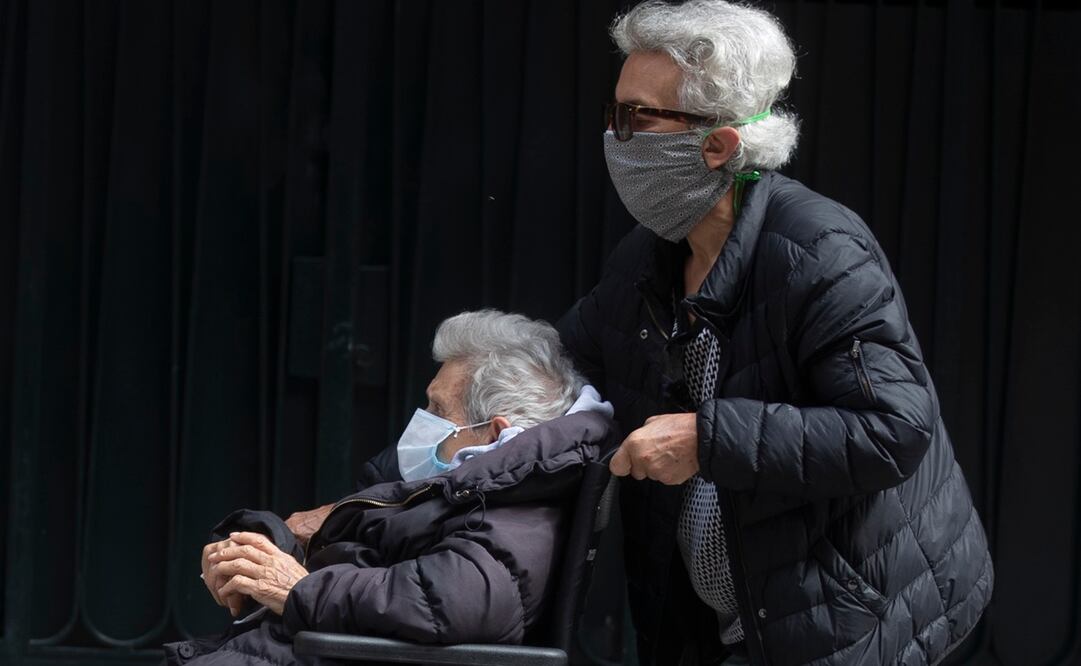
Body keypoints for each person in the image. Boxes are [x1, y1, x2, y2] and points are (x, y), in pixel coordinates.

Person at [557, 1, 993, 664]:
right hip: (720, 618)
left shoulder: (818, 250)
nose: (613, 137)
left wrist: (709, 439)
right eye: (612, 113)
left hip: (849, 614)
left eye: (635, 117)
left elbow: (893, 429)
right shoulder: (647, 258)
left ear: (719, 144)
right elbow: (569, 364)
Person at [166, 310, 617, 664]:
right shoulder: (475, 484)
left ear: (493, 432)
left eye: (436, 406)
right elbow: (365, 551)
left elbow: (450, 601)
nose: (422, 418)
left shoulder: (518, 504)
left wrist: (298, 590)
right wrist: (260, 549)